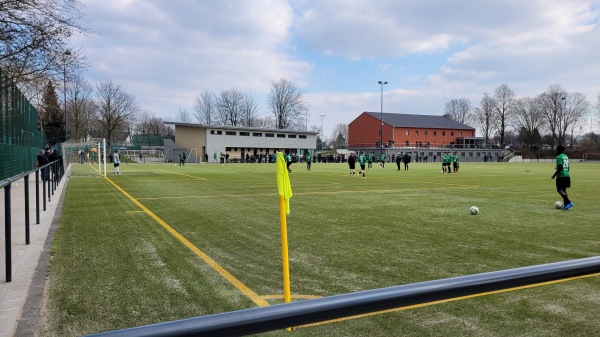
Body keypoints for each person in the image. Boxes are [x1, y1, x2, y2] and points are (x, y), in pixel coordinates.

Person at [551, 145, 573, 210]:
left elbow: (560, 167)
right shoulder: (566, 156)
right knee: (564, 190)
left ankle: (568, 202)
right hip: (567, 174)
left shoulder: (558, 157)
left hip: (561, 175)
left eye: (557, 150)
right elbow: (567, 166)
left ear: (559, 150)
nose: (556, 151)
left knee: (559, 189)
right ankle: (566, 205)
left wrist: (554, 175)